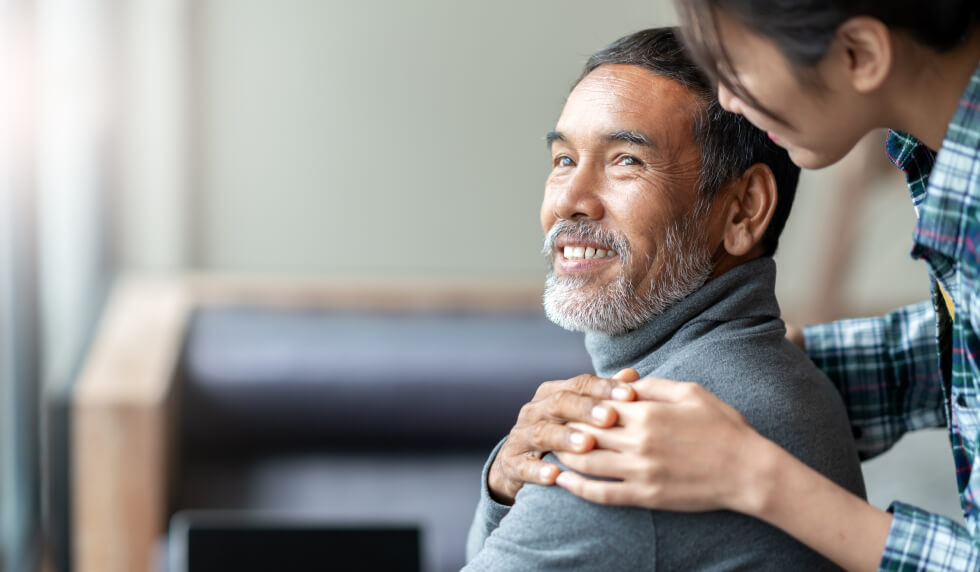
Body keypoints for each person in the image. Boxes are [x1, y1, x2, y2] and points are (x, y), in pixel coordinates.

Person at [491, 2, 980, 570]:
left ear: (859, 55)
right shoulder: (939, 160)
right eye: (563, 159)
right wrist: (770, 378)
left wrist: (756, 472)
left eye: (737, 62)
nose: (727, 97)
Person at [464, 27, 865, 570]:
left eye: (626, 159)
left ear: (745, 209)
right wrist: (504, 483)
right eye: (563, 160)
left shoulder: (639, 442)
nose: (570, 202)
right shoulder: (785, 375)